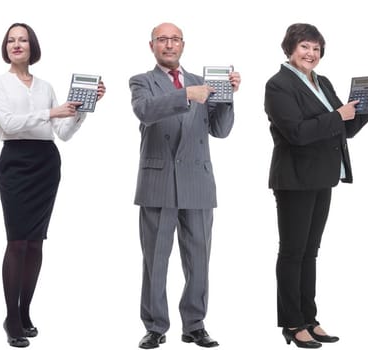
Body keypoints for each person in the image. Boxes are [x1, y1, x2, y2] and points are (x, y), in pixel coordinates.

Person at [264, 23, 368, 349]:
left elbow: (344, 128)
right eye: (305, 47)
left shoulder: (323, 82)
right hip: (295, 179)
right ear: (290, 48)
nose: (311, 54)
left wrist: (366, 105)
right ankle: (292, 323)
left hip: (322, 177)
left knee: (310, 252)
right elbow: (297, 133)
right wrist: (339, 114)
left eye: (316, 48)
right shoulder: (278, 85)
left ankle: (309, 318)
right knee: (292, 252)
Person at [0, 22, 105, 348]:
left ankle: (25, 312)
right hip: (15, 162)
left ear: (32, 46)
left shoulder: (45, 85)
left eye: (22, 39)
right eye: (11, 40)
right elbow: (9, 122)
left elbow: (63, 132)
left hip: (45, 163)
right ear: (6, 47)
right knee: (17, 241)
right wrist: (52, 111)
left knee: (36, 242)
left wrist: (82, 109)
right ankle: (11, 317)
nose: (16, 44)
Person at [129, 22, 240, 349]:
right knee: (155, 261)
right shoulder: (142, 82)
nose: (169, 44)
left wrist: (228, 97)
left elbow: (220, 130)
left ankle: (194, 325)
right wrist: (185, 95)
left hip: (197, 180)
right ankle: (155, 326)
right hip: (158, 179)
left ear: (183, 45)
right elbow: (145, 112)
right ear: (152, 46)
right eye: (162, 39)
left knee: (198, 259)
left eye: (174, 39)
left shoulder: (202, 81)